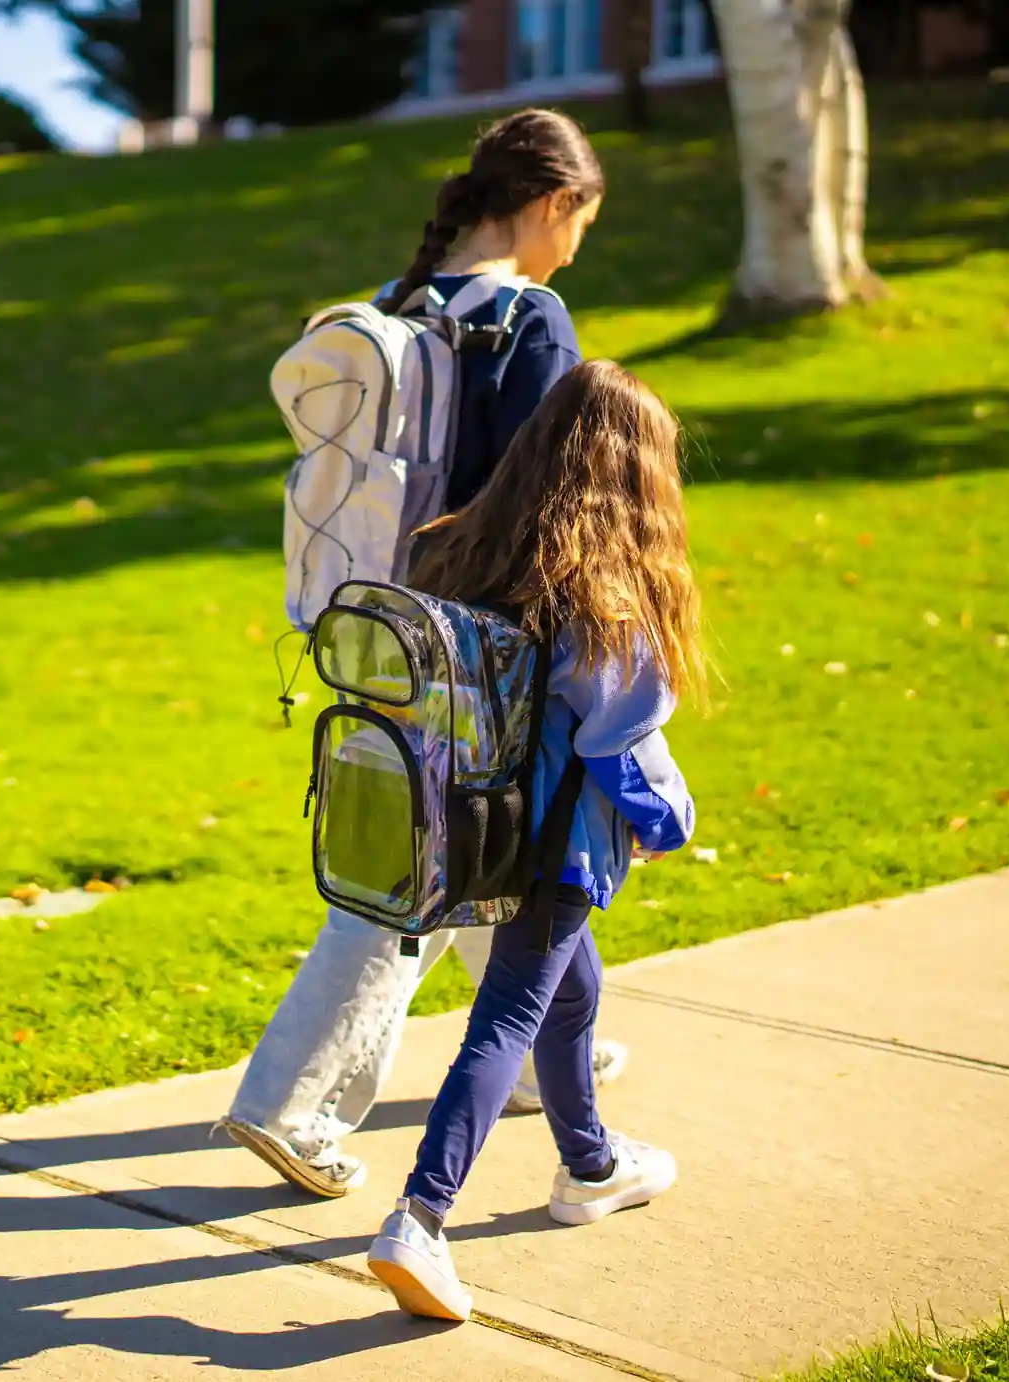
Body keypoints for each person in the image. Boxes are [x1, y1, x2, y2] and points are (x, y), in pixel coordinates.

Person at [221, 108, 627, 1199]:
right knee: (435, 866)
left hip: (380, 622)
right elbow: (555, 499)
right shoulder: (530, 317)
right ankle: (286, 1102)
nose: (579, 244)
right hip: (483, 639)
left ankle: (561, 1058)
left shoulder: (403, 305)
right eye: (582, 220)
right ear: (554, 204)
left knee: (492, 855)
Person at [365, 359, 703, 1321]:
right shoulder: (602, 592)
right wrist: (667, 819)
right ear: (636, 473)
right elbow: (617, 737)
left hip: (465, 824)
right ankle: (418, 1220)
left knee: (569, 993)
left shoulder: (462, 549)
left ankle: (589, 1164)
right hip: (552, 843)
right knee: (509, 1015)